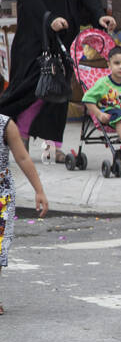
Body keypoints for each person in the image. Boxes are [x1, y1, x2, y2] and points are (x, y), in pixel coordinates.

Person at [0, 0, 116, 162]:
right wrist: (48, 18)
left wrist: (99, 16)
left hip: (65, 40)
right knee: (31, 91)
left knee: (58, 93)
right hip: (35, 42)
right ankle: (19, 136)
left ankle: (53, 146)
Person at [0, 108, 50, 315]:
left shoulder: (6, 125)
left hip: (1, 197)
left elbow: (23, 158)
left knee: (0, 246)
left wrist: (39, 190)